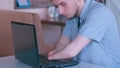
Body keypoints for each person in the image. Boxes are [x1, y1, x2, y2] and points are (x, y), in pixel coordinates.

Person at [48, 0, 120, 68]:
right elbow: (62, 44)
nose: (60, 12)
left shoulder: (100, 13)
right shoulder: (72, 18)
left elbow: (71, 51)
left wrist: (50, 58)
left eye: (63, 4)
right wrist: (55, 54)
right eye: (57, 6)